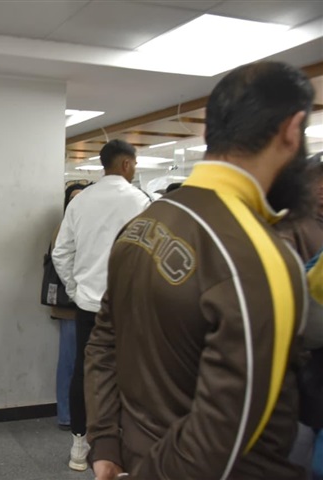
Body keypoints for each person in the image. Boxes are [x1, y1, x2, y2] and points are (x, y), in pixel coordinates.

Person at [84, 61, 314, 480]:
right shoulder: (261, 260)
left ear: (210, 131)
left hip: (138, 455)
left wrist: (104, 442)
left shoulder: (143, 223)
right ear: (292, 130)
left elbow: (103, 343)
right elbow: (217, 442)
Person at [51, 139, 150, 471]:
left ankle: (79, 446)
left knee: (84, 371)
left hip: (88, 304)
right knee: (128, 373)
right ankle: (121, 447)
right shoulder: (141, 201)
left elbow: (61, 253)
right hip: (128, 306)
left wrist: (75, 288)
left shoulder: (81, 201)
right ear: (126, 164)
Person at [51, 182, 88, 431]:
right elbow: (61, 259)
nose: (78, 202)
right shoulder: (63, 227)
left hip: (87, 304)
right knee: (69, 361)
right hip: (70, 305)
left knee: (84, 361)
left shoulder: (86, 225)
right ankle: (66, 413)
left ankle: (81, 412)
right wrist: (75, 291)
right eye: (73, 198)